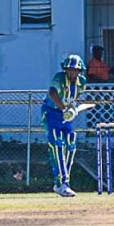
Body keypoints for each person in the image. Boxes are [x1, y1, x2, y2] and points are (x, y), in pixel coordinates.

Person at [41, 54, 88, 197]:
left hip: (65, 116)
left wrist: (73, 108)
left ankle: (64, 182)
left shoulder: (82, 82)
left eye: (75, 70)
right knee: (57, 145)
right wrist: (64, 109)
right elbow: (53, 92)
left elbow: (74, 98)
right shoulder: (59, 78)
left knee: (71, 143)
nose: (72, 73)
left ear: (80, 71)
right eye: (69, 70)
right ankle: (61, 183)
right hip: (51, 113)